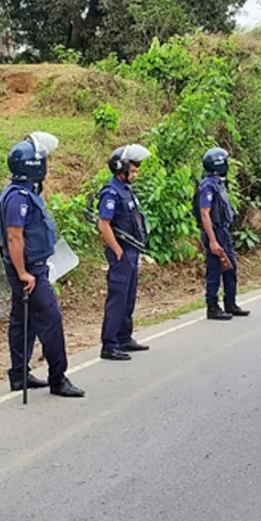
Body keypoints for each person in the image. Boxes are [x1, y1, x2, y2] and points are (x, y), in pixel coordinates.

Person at [0, 131, 85, 398]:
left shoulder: (23, 192)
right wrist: (23, 272)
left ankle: (18, 374)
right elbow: (14, 236)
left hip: (31, 267)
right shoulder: (18, 198)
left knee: (23, 321)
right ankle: (58, 378)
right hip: (29, 270)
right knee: (51, 320)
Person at [97, 144, 152, 361]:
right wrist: (118, 251)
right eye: (134, 170)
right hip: (122, 253)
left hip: (132, 251)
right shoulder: (111, 193)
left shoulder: (126, 191)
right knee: (118, 298)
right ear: (120, 168)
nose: (136, 174)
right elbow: (104, 225)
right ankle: (110, 344)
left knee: (128, 297)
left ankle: (124, 337)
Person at [195, 147, 250, 320]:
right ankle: (212, 307)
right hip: (215, 232)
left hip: (223, 231)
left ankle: (230, 303)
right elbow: (205, 213)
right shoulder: (207, 187)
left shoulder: (218, 183)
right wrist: (212, 241)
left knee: (230, 268)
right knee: (214, 271)